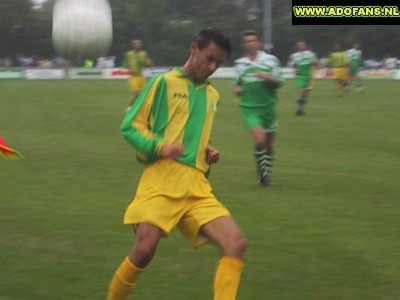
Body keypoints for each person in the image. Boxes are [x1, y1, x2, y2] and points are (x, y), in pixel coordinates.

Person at [107, 29, 247, 300]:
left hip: (196, 186)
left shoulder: (213, 96)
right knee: (144, 250)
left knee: (236, 244)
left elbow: (193, 136)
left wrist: (207, 153)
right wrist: (160, 147)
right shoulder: (163, 83)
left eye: (219, 63)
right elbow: (130, 126)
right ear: (193, 48)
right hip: (161, 179)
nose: (212, 67)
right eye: (209, 59)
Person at [234, 30, 284, 186]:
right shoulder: (240, 64)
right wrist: (237, 89)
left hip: (268, 107)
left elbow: (279, 83)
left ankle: (265, 172)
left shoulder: (271, 61)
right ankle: (263, 175)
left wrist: (267, 77)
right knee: (260, 139)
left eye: (253, 41)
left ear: (258, 42)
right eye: (247, 41)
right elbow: (238, 84)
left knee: (269, 146)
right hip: (250, 109)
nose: (250, 44)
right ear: (244, 45)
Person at [287, 41, 318, 116]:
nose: (301, 46)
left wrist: (312, 64)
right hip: (300, 75)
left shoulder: (310, 54)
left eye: (302, 45)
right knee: (301, 91)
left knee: (306, 94)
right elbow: (291, 64)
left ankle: (301, 109)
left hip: (308, 75)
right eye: (299, 45)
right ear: (297, 46)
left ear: (305, 46)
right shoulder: (294, 55)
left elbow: (315, 62)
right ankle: (298, 109)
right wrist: (295, 68)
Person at [123, 38, 153, 111]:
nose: (137, 45)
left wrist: (148, 63)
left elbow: (147, 63)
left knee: (144, 93)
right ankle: (130, 107)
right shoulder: (129, 54)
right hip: (133, 77)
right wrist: (130, 69)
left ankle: (142, 107)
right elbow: (125, 64)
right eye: (135, 43)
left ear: (141, 45)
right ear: (132, 45)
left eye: (138, 43)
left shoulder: (144, 54)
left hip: (141, 76)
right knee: (136, 93)